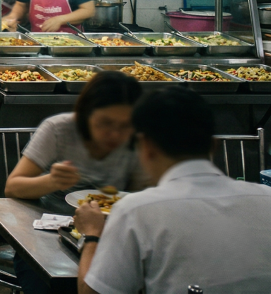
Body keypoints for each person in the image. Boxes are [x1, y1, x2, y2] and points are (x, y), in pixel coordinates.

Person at [75, 87, 271, 294]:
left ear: (145, 146)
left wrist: (91, 236)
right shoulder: (267, 198)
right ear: (213, 146)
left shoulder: (136, 211)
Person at [4, 71, 144, 294]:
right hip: (48, 241)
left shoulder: (137, 139)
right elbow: (13, 187)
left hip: (110, 242)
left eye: (125, 126)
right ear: (86, 114)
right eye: (105, 123)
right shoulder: (59, 129)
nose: (115, 135)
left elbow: (143, 194)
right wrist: (52, 181)